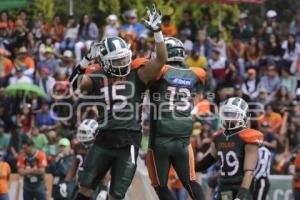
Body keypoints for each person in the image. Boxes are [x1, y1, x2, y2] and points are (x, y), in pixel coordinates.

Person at [69, 5, 167, 200]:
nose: (123, 63)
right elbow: (74, 85)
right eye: (117, 60)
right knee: (85, 188)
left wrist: (157, 32)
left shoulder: (137, 74)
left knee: (117, 194)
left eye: (124, 58)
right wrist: (86, 59)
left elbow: (161, 59)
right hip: (104, 137)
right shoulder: (97, 76)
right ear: (105, 62)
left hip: (129, 139)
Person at [146, 37, 205, 200]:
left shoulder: (160, 72)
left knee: (160, 186)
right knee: (191, 182)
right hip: (184, 139)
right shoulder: (195, 74)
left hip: (160, 138)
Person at [196, 97, 264, 200]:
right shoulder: (219, 137)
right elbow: (204, 163)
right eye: (226, 113)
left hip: (241, 187)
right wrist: (186, 167)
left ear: (242, 116)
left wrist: (241, 196)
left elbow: (249, 173)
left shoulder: (248, 137)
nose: (228, 117)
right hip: (225, 186)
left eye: (232, 114)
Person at [60, 119, 107, 200]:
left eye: (85, 132)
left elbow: (107, 170)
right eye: (81, 132)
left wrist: (104, 189)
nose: (82, 135)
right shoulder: (77, 146)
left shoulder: (102, 147)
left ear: (95, 133)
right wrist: (65, 182)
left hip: (95, 187)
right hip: (80, 185)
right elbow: (74, 166)